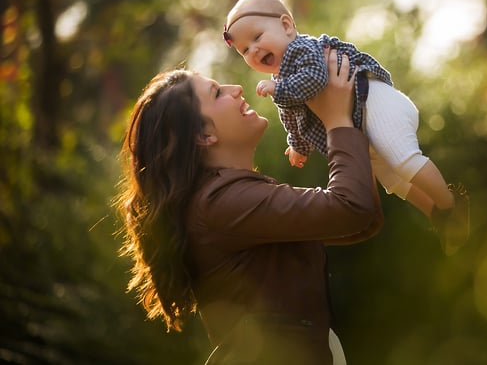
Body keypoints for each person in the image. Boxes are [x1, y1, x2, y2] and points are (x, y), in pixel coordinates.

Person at [115, 49, 382, 364]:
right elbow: (352, 208)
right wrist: (337, 120)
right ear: (204, 135)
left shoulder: (228, 198)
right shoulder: (221, 204)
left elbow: (361, 220)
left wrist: (350, 126)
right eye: (217, 93)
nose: (236, 89)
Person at [222, 0, 470, 255]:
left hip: (376, 103)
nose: (254, 50)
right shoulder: (281, 79)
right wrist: (297, 145)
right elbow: (292, 118)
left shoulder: (302, 49)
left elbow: (315, 79)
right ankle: (435, 213)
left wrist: (277, 88)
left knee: (404, 161)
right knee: (392, 180)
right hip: (365, 124)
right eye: (245, 50)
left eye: (257, 37)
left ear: (286, 25)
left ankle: (450, 205)